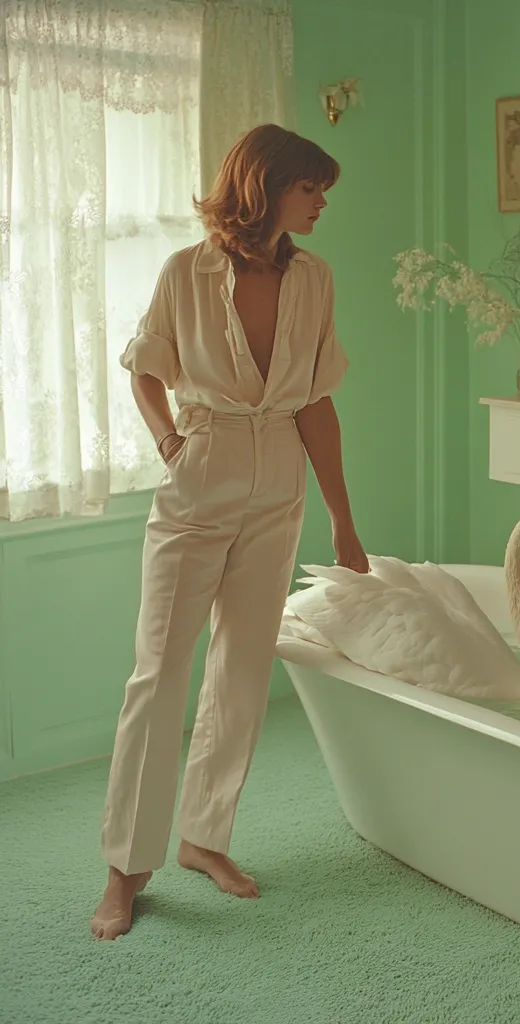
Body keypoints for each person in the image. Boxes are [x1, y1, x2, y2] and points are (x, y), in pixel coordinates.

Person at [90, 124, 369, 941]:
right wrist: (170, 442)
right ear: (266, 186)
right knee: (158, 674)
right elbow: (146, 368)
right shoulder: (186, 272)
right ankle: (125, 867)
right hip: (200, 472)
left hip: (278, 482)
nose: (321, 204)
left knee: (242, 671)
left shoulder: (314, 279)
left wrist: (343, 519)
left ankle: (204, 837)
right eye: (310, 188)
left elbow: (315, 402)